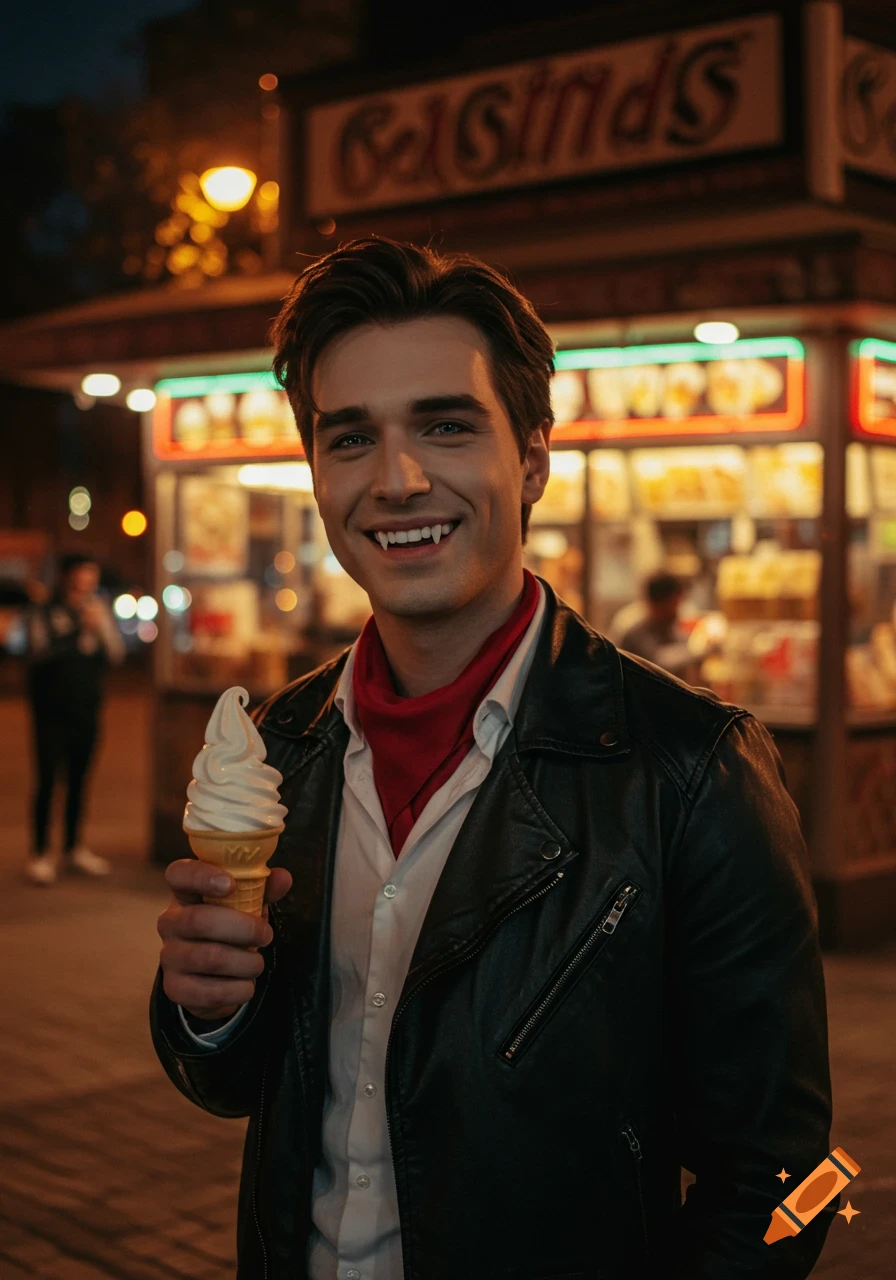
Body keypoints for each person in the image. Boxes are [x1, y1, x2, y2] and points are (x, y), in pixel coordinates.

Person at [150, 238, 836, 1280]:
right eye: (350, 439)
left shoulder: (689, 768)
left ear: (530, 459)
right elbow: (246, 1084)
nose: (397, 478)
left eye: (445, 424)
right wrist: (208, 1012)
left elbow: (779, 1178)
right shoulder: (278, 750)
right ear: (317, 473)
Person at [23, 553, 124, 885]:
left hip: (86, 710)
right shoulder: (45, 612)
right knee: (48, 780)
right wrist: (74, 632)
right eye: (83, 575)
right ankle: (40, 852)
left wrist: (99, 629)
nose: (88, 583)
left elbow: (116, 654)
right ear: (67, 577)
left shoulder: (98, 611)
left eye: (92, 576)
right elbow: (37, 653)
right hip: (50, 712)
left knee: (80, 780)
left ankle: (73, 847)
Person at [618, 570, 700, 683]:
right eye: (675, 603)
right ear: (659, 604)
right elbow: (658, 662)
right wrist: (699, 650)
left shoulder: (666, 623)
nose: (677, 609)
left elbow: (680, 644)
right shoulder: (633, 628)